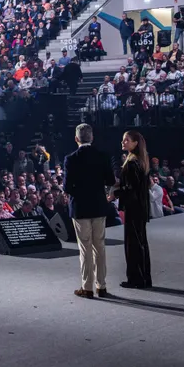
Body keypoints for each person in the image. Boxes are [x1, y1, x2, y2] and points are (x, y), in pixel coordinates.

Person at [62, 123, 116, 298]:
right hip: (99, 206)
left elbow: (67, 187)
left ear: (76, 139)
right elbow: (110, 180)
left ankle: (87, 288)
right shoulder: (103, 156)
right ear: (92, 138)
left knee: (85, 248)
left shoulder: (71, 159)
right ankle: (102, 286)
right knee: (99, 247)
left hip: (80, 208)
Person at [114, 130, 153, 289]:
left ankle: (136, 279)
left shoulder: (131, 163)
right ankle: (144, 278)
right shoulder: (141, 161)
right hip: (141, 208)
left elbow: (130, 189)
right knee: (141, 243)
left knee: (133, 245)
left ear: (135, 143)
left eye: (126, 140)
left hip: (133, 208)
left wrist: (114, 194)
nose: (123, 142)